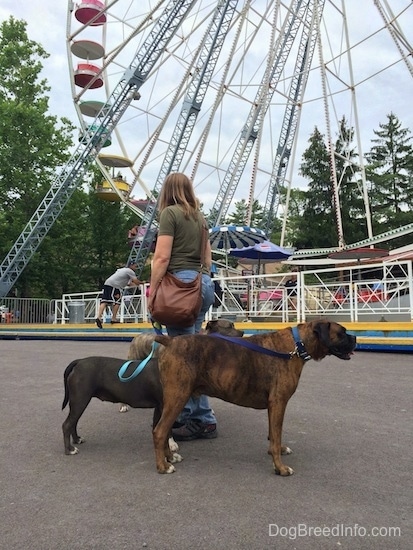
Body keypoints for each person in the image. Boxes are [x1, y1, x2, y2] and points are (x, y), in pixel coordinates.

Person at [149, 172, 217, 441]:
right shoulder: (200, 218)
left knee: (182, 357)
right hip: (203, 284)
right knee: (194, 352)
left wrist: (153, 290)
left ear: (167, 191)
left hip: (181, 286)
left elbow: (162, 256)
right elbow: (208, 257)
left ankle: (198, 417)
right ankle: (194, 414)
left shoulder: (169, 214)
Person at [96, 262, 143, 328]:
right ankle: (113, 318)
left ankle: (98, 317)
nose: (136, 268)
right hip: (115, 286)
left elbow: (129, 284)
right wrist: (143, 283)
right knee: (117, 301)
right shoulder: (130, 271)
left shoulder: (122, 270)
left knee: (105, 300)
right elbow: (136, 281)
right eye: (135, 266)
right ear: (131, 266)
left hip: (107, 284)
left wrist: (137, 285)